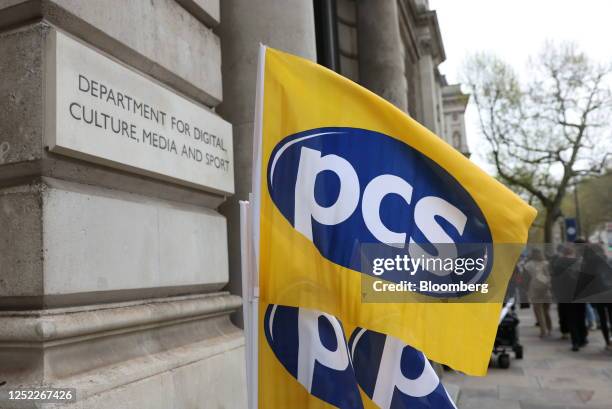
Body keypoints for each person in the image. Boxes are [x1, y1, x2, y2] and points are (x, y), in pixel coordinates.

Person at [525, 248, 552, 338]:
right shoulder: (546, 264)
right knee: (546, 311)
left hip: (535, 288)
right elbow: (550, 276)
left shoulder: (528, 265)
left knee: (538, 311)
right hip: (546, 288)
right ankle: (550, 328)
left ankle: (543, 331)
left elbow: (526, 278)